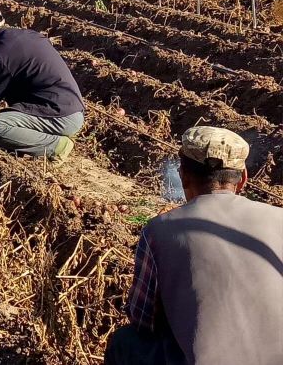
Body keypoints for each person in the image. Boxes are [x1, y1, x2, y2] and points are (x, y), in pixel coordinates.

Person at [105, 126, 283, 365]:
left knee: (125, 341)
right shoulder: (279, 218)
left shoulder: (158, 230)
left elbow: (141, 318)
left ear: (183, 175)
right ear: (242, 179)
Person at [0, 7, 84, 161]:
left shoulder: (1, 58)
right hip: (72, 109)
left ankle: (57, 146)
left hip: (59, 116)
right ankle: (48, 136)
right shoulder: (31, 35)